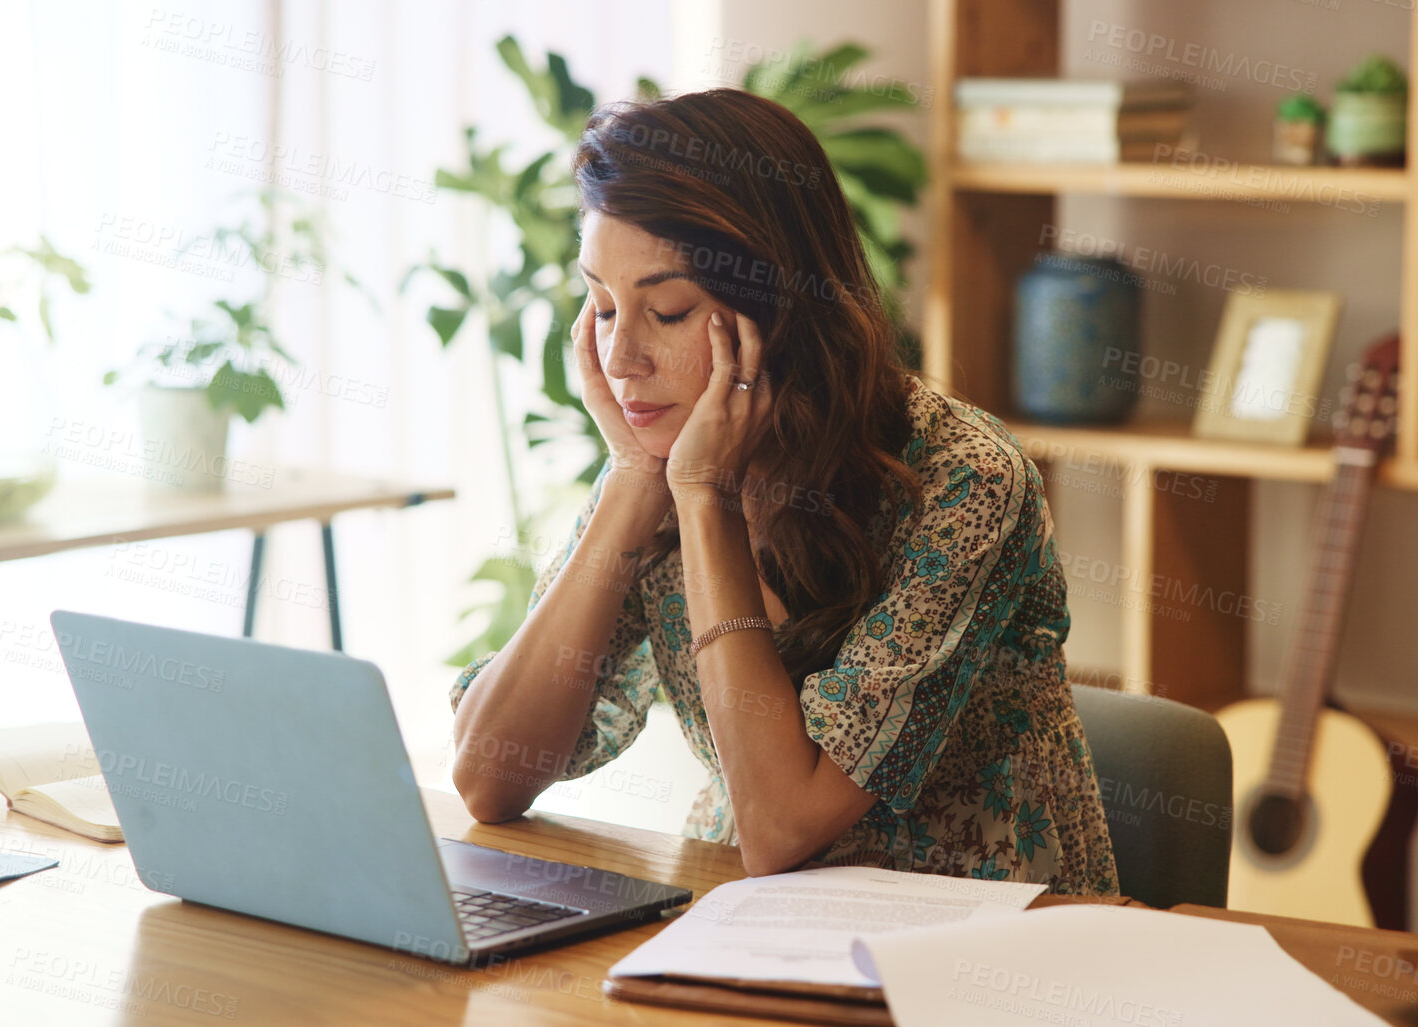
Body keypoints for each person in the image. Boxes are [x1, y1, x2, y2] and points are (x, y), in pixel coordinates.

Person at [449, 87, 1117, 894]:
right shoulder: (663, 451)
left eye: (664, 310)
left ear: (780, 307)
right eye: (600, 305)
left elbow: (779, 828)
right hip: (748, 918)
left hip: (972, 941)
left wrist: (703, 502)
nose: (620, 356)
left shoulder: (965, 478)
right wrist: (632, 482)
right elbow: (487, 779)